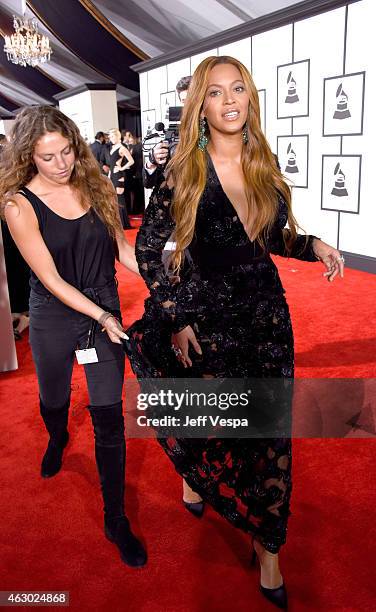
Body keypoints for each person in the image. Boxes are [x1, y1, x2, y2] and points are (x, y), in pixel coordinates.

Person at [126, 56, 344, 607]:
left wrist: (310, 242)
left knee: (270, 435)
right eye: (217, 92)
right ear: (201, 104)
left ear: (250, 98)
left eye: (238, 90)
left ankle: (269, 548)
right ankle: (194, 476)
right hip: (207, 317)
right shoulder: (183, 173)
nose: (229, 101)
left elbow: (271, 236)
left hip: (266, 316)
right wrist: (175, 314)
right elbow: (148, 250)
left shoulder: (263, 164)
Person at [0, 106, 147, 568]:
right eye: (48, 157)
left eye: (66, 151)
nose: (61, 164)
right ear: (28, 157)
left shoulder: (97, 184)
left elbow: (123, 249)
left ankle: (115, 517)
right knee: (53, 398)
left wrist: (161, 280)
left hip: (105, 309)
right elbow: (49, 278)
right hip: (54, 316)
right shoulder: (17, 204)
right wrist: (101, 315)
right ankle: (57, 436)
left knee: (109, 419)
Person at [143, 76, 192, 189]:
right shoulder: (172, 133)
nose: (188, 105)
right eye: (184, 101)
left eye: (191, 99)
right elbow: (149, 184)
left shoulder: (215, 130)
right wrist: (152, 162)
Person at [108, 128, 134, 229]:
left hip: (119, 175)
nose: (111, 139)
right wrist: (109, 176)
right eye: (110, 137)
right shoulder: (113, 148)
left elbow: (131, 161)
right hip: (113, 176)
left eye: (112, 136)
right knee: (115, 198)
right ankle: (119, 222)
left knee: (120, 199)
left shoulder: (122, 148)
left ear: (117, 136)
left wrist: (121, 168)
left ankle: (124, 223)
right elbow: (111, 164)